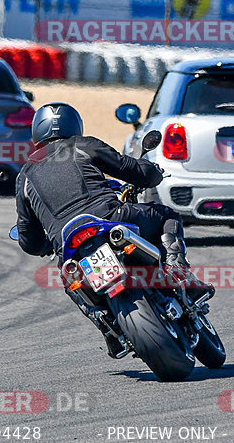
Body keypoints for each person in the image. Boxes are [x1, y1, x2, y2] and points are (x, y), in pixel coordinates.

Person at [15, 104, 209, 316]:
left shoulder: (24, 176)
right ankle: (177, 271)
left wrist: (47, 246)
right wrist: (153, 173)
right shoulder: (83, 144)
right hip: (109, 218)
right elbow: (129, 169)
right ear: (74, 126)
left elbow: (28, 239)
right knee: (166, 216)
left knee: (71, 280)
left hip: (67, 243)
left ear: (37, 132)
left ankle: (108, 330)